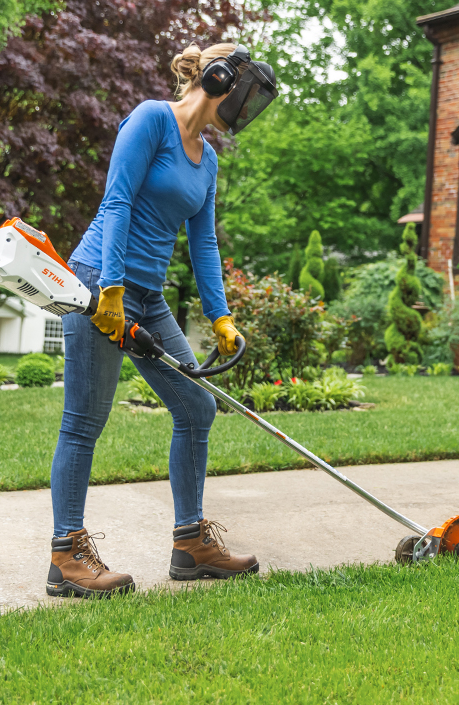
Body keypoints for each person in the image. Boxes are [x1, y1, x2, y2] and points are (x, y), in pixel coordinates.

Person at [45, 42, 278, 598]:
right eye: (245, 95)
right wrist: (111, 289)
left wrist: (219, 316)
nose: (245, 110)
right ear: (220, 78)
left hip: (147, 297)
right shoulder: (151, 119)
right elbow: (117, 202)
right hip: (97, 283)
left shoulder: (210, 159)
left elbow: (203, 244)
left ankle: (191, 543)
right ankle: (65, 555)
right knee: (84, 420)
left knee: (197, 407)